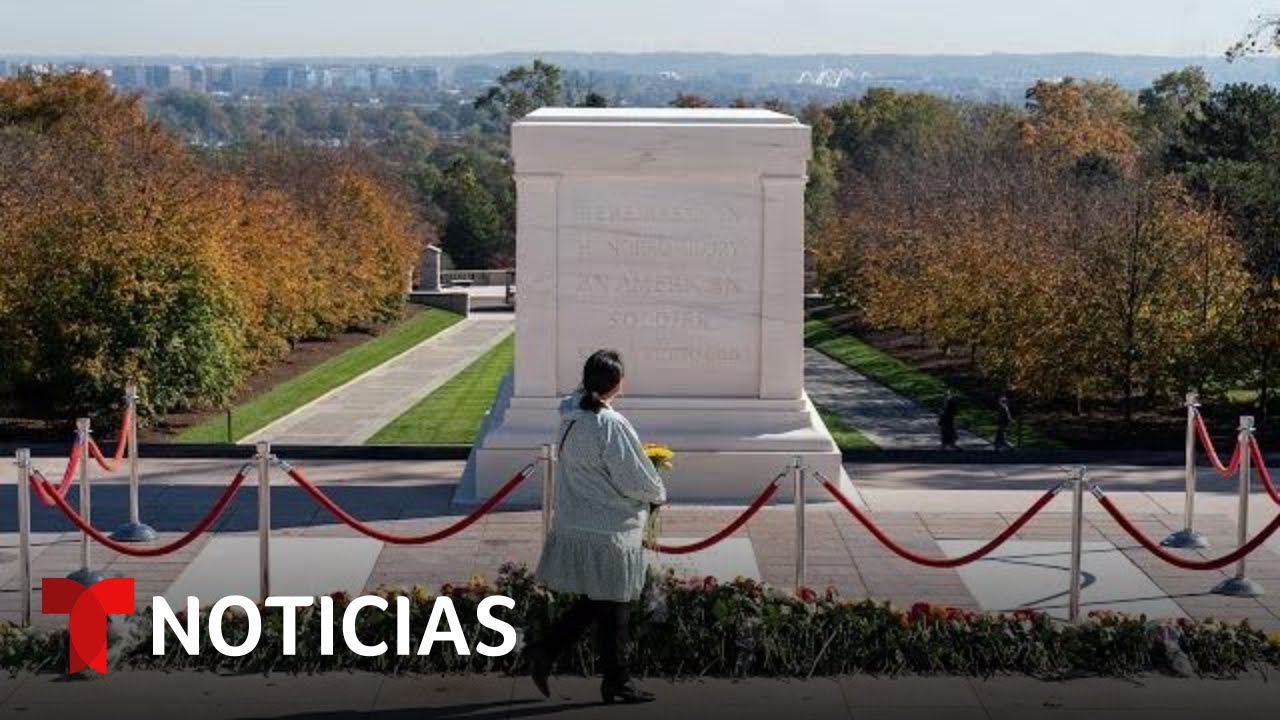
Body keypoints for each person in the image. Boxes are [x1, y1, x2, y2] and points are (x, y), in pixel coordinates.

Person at [526, 349, 666, 705]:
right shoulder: (610, 424)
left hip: (579, 521)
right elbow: (633, 478)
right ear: (617, 383)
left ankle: (550, 652)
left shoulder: (570, 416)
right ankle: (615, 680)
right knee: (615, 604)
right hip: (611, 527)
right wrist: (657, 493)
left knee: (599, 600)